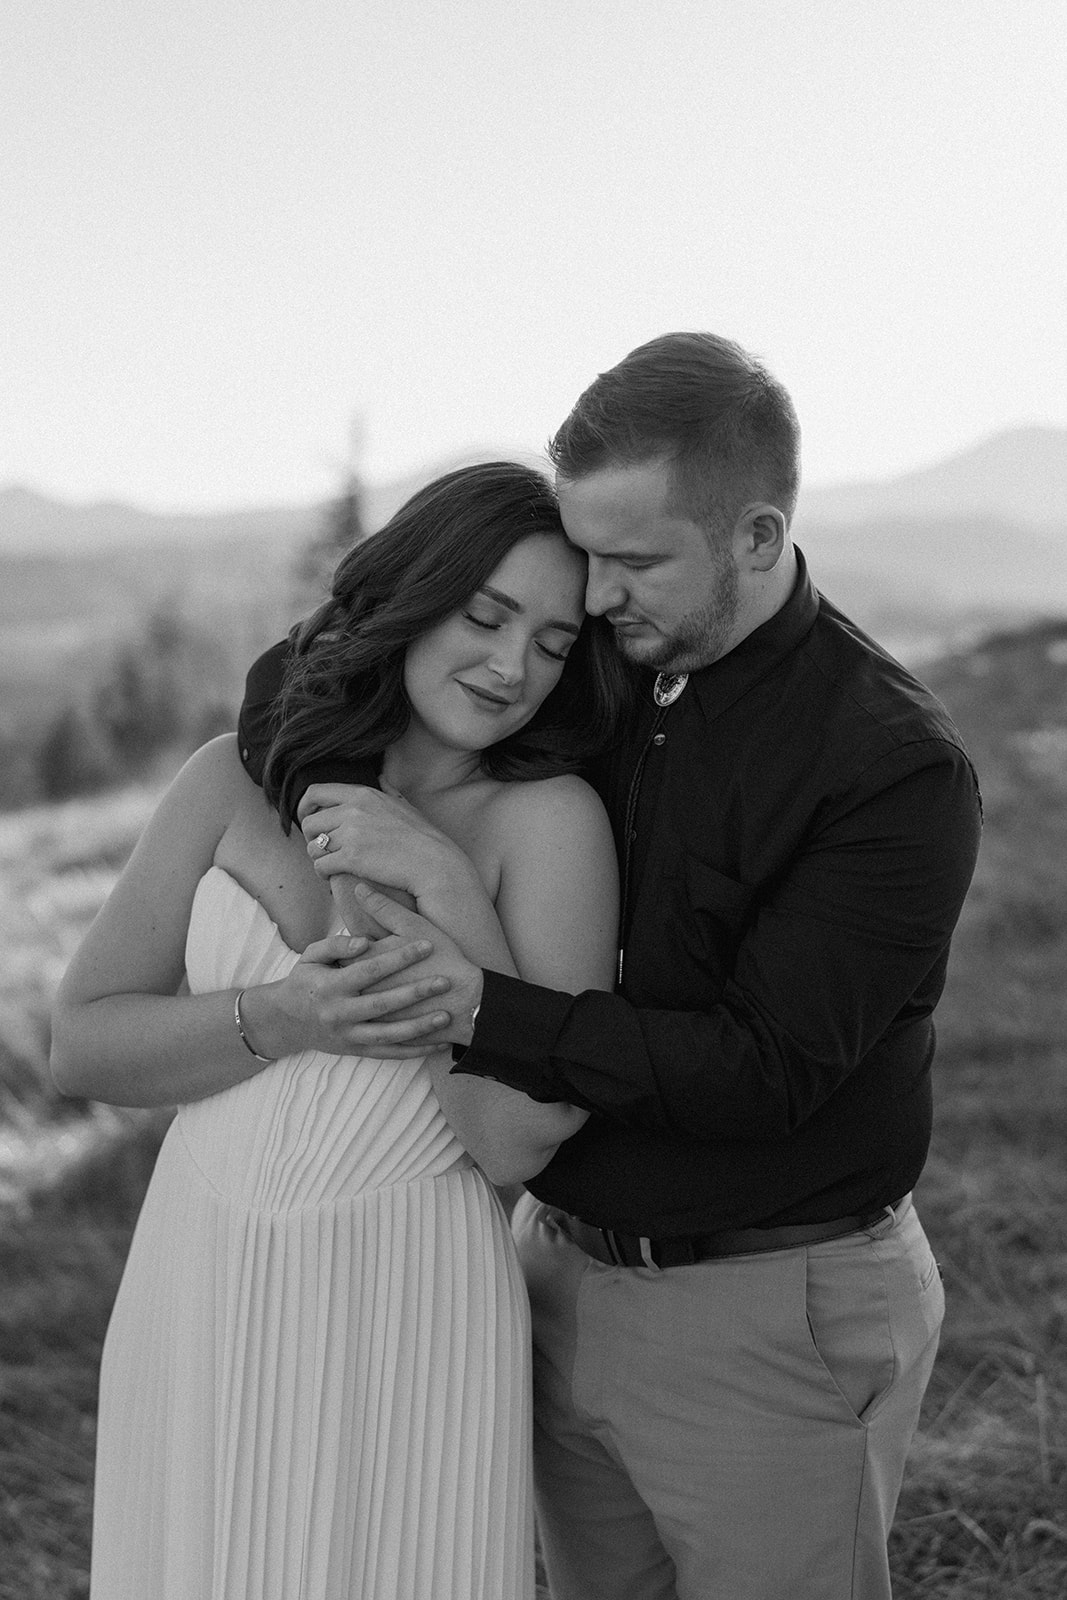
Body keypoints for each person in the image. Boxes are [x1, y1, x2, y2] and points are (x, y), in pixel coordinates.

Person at [238, 333, 983, 1600]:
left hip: (766, 1305)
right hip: (553, 1276)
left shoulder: (886, 765)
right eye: (587, 553)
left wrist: (482, 998)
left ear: (754, 538)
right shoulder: (599, 660)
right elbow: (304, 672)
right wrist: (342, 807)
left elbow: (764, 1070)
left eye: (634, 559)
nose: (589, 597)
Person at [50, 461, 633, 1600]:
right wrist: (283, 1016)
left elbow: (516, 1146)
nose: (514, 667)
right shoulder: (228, 778)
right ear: (412, 598)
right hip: (197, 1272)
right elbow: (80, 1041)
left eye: (555, 642)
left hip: (404, 1299)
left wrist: (447, 893)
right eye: (486, 615)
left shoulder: (549, 824)